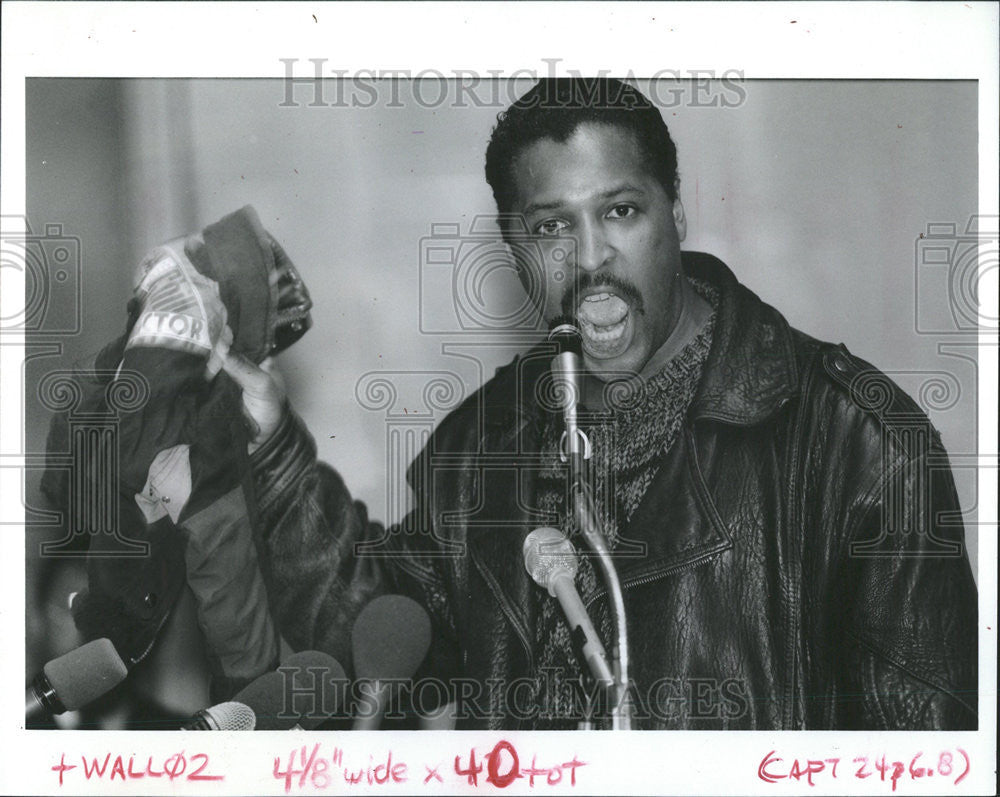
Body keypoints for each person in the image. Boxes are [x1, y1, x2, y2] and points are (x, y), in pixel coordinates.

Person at [221, 78, 977, 730]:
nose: (588, 259)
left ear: (675, 214)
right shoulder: (476, 447)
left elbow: (926, 752)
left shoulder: (859, 440)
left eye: (619, 212)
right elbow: (389, 656)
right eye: (551, 226)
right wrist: (274, 452)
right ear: (513, 246)